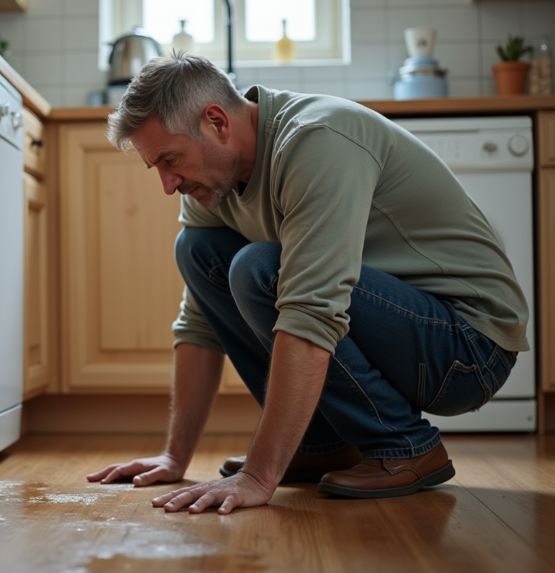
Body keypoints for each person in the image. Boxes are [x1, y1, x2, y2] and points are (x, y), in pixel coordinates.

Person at [85, 54, 529, 515]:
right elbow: (200, 320)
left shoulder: (316, 139)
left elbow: (312, 308)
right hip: (402, 328)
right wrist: (174, 456)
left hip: (468, 347)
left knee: (261, 268)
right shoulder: (210, 182)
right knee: (195, 250)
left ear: (216, 122)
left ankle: (405, 445)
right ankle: (324, 444)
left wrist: (258, 476)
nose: (167, 183)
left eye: (170, 160)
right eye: (156, 166)